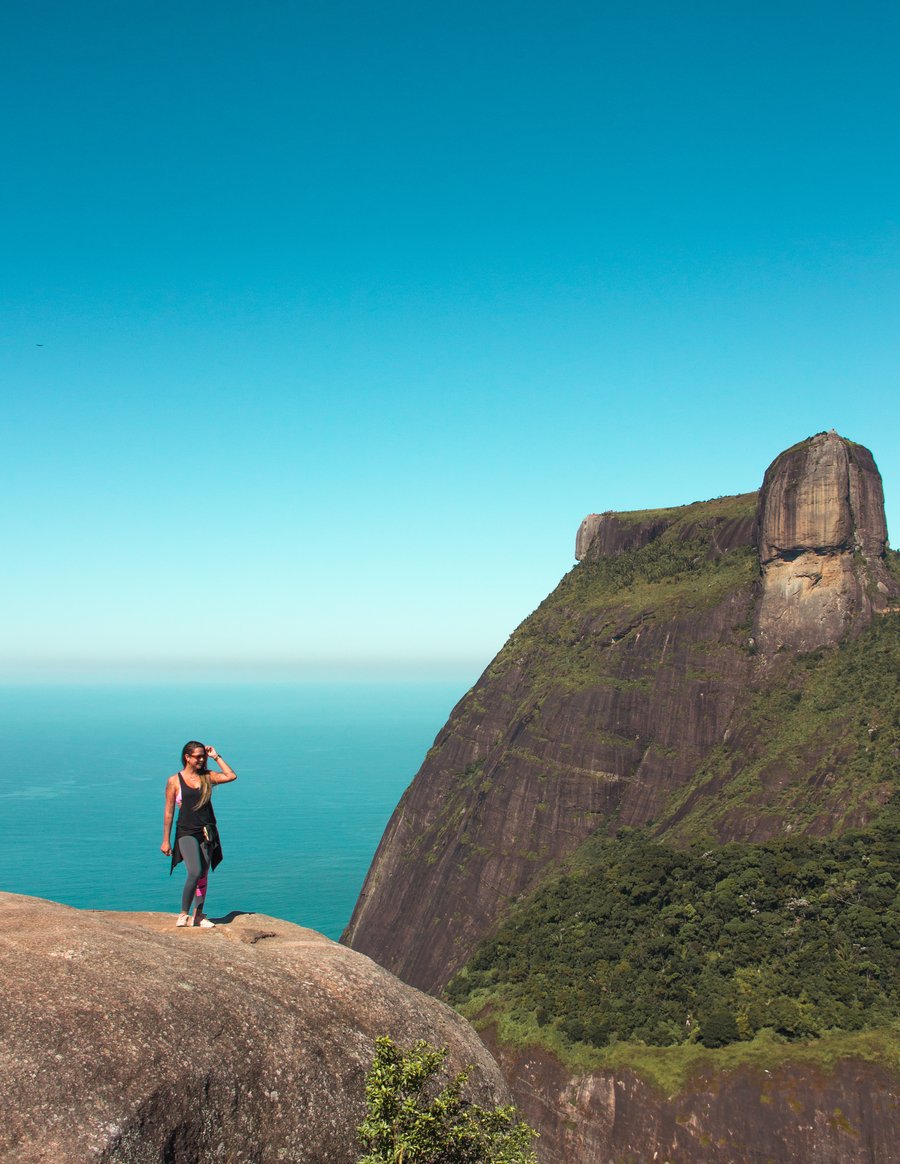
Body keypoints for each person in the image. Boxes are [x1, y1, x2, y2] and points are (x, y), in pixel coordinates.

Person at [161, 741, 237, 928]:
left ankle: (199, 915)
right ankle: (183, 914)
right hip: (186, 831)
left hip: (207, 831)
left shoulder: (207, 777)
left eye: (203, 756)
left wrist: (216, 756)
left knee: (203, 873)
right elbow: (169, 812)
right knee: (194, 871)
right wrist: (165, 840)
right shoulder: (174, 781)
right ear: (187, 757)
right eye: (198, 756)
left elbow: (231, 776)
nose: (201, 759)